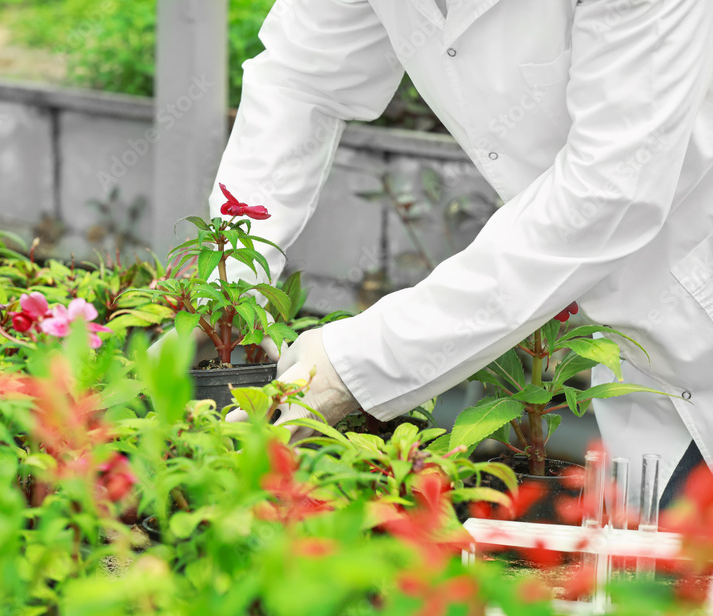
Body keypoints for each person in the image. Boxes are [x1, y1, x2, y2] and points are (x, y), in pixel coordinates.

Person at [213, 0, 713, 505]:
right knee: (664, 565)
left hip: (699, 304)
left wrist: (355, 364)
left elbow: (612, 191)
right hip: (636, 363)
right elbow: (302, 83)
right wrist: (225, 289)